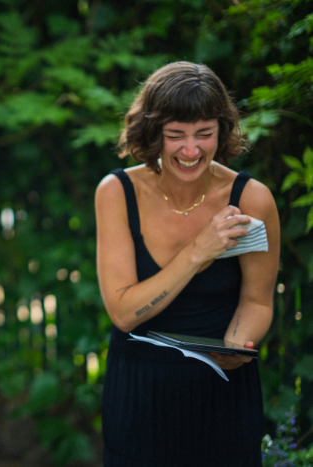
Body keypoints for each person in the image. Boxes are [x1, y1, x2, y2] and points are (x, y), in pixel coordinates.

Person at [94, 61, 280, 466]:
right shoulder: (116, 192)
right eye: (175, 135)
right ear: (151, 131)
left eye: (205, 134)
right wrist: (199, 251)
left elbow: (258, 301)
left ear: (223, 131)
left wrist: (238, 343)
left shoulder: (252, 199)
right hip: (140, 395)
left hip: (224, 392)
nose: (191, 151)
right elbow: (124, 313)